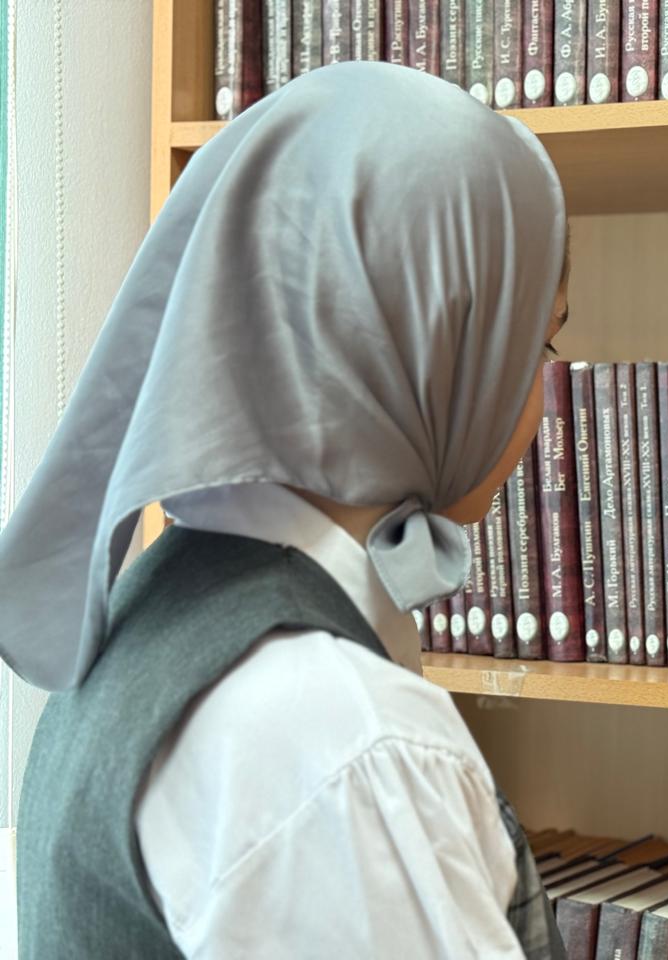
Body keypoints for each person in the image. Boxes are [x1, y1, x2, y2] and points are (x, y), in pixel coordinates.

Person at [1, 62, 569, 958]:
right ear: (432, 345)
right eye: (535, 346)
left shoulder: (157, 603)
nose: (541, 400)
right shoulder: (334, 736)